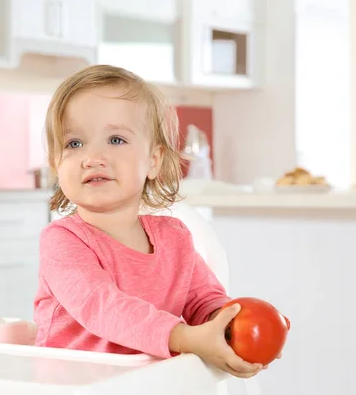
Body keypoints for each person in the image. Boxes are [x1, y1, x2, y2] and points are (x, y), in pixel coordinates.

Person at [33, 64, 265, 378]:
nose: (92, 157)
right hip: (72, 384)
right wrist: (184, 338)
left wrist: (230, 325)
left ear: (153, 161)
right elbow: (101, 306)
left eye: (115, 140)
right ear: (56, 164)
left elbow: (203, 300)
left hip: (148, 382)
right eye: (74, 144)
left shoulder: (175, 239)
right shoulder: (62, 240)